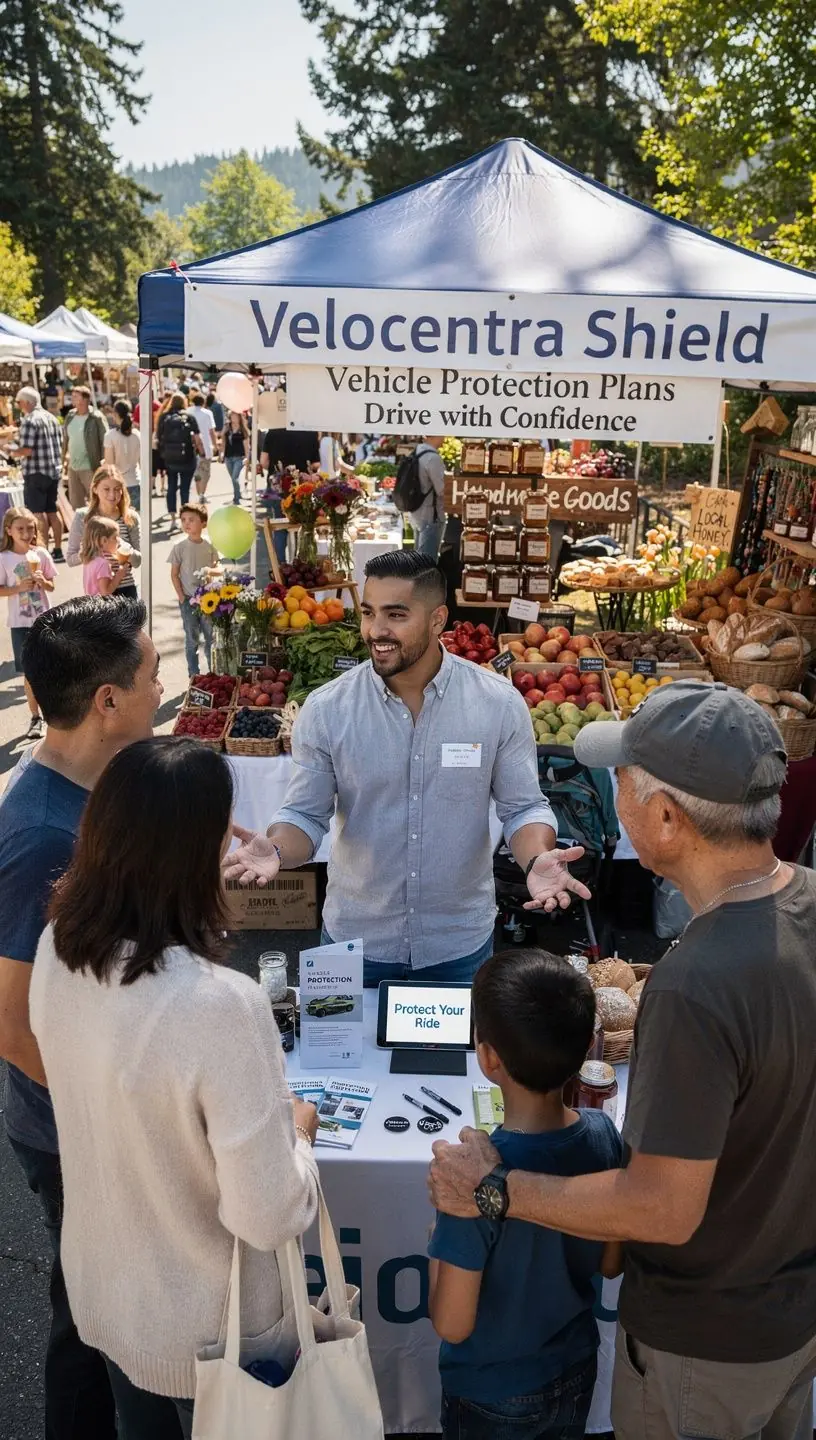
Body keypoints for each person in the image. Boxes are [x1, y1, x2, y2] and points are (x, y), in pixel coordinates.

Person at [429, 679, 816, 1440]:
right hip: (789, 1326)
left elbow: (661, 1209)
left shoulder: (696, 983)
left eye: (624, 783)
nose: (616, 798)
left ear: (667, 819)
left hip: (702, 1351)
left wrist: (495, 1189)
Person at [29, 737, 320, 1439]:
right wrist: (299, 1139)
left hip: (108, 1293)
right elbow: (268, 1214)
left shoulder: (59, 947)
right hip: (210, 1335)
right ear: (197, 854)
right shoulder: (220, 1006)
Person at [226, 550, 588, 986]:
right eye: (369, 612)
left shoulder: (497, 704)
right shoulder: (327, 710)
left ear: (438, 620)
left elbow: (523, 807)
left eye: (396, 614)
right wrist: (278, 850)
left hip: (457, 944)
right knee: (341, 1055)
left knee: (454, 1057)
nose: (376, 630)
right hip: (355, 942)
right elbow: (305, 814)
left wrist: (537, 860)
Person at [0, 596, 162, 1440]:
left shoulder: (90, 790)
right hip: (74, 1128)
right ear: (107, 701)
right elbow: (12, 1024)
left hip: (99, 1111)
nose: (161, 689)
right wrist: (105, 1121)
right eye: (150, 677)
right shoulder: (40, 837)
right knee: (90, 1324)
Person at [429, 949, 623, 1440]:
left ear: (489, 1058)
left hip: (490, 1391)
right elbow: (611, 1262)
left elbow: (451, 1323)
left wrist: (437, 1239)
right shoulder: (604, 1135)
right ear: (586, 1049)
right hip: (576, 1367)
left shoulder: (470, 1179)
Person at [0, 506, 55, 738]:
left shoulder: (40, 554)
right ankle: (36, 717)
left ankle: (55, 716)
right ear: (9, 530)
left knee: (49, 669)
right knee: (29, 673)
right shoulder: (4, 558)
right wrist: (17, 588)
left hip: (44, 618)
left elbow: (52, 585)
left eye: (30, 528)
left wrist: (43, 582)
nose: (26, 533)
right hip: (20, 623)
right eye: (20, 528)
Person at [66, 464, 141, 596]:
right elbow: (71, 559)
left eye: (117, 489)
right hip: (97, 593)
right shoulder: (83, 516)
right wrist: (94, 550)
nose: (112, 495)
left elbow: (138, 561)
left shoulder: (130, 517)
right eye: (106, 489)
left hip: (126, 591)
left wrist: (123, 547)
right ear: (95, 489)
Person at [9, 385, 64, 561]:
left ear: (26, 402)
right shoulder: (51, 418)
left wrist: (11, 451)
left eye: (19, 402)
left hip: (36, 473)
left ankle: (43, 550)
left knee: (38, 514)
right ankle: (57, 549)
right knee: (52, 511)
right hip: (53, 471)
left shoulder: (30, 420)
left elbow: (27, 450)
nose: (18, 406)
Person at [169, 503, 220, 678]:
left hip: (207, 600)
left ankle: (213, 672)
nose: (186, 523)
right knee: (192, 639)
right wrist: (182, 597)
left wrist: (210, 572)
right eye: (183, 520)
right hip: (188, 600)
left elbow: (217, 567)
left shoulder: (209, 545)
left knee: (210, 637)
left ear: (203, 523)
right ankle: (194, 675)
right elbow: (174, 574)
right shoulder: (179, 546)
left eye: (192, 520)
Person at [156, 394, 202, 530]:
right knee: (185, 489)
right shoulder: (189, 418)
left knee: (171, 487)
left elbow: (158, 437)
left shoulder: (164, 417)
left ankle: (172, 518)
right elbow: (198, 439)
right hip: (187, 457)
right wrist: (201, 452)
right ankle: (185, 519)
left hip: (170, 459)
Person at [61, 385, 108, 511]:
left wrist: (104, 465)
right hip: (73, 467)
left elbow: (105, 441)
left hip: (90, 467)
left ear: (85, 399)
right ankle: (81, 529)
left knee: (96, 501)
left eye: (76, 396)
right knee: (76, 504)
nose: (72, 399)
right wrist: (64, 460)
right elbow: (65, 439)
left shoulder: (96, 417)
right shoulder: (70, 415)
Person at [408, 436, 447, 560]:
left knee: (419, 561)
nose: (444, 438)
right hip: (431, 516)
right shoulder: (433, 458)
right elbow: (442, 490)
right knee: (427, 563)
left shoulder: (418, 450)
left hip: (417, 512)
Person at [102, 400, 141, 510]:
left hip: (117, 485)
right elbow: (142, 462)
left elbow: (110, 464)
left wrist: (103, 463)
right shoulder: (137, 435)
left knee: (119, 523)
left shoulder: (110, 435)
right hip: (136, 482)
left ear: (116, 414)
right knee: (135, 523)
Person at [81, 516, 121, 597]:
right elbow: (105, 592)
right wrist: (119, 576)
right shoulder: (103, 563)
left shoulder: (89, 560)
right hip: (102, 608)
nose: (118, 540)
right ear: (104, 541)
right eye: (115, 537)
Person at [188, 390, 217, 499]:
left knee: (197, 472)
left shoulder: (188, 412)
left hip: (191, 446)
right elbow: (211, 431)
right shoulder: (208, 413)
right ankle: (202, 493)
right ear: (203, 402)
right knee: (206, 472)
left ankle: (199, 492)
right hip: (205, 446)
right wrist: (215, 445)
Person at [223, 410, 248, 504]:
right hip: (228, 457)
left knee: (234, 477)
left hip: (239, 457)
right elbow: (224, 441)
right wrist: (221, 454)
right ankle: (238, 493)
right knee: (233, 478)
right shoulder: (227, 428)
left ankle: (236, 498)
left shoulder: (242, 430)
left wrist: (247, 457)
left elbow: (246, 445)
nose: (233, 418)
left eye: (235, 416)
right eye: (232, 416)